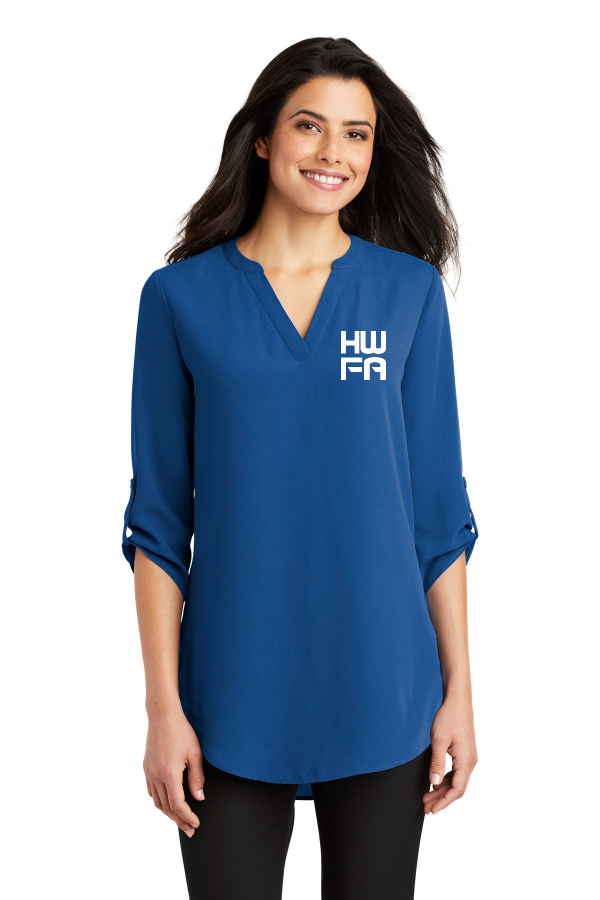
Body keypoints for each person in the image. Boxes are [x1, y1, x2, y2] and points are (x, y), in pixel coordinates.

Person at [122, 36, 479, 900]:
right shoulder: (179, 299)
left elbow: (438, 515)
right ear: (262, 138)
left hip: (385, 688)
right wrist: (163, 710)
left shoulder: (409, 294)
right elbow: (159, 525)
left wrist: (460, 691)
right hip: (229, 697)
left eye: (357, 134)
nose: (334, 152)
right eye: (310, 125)